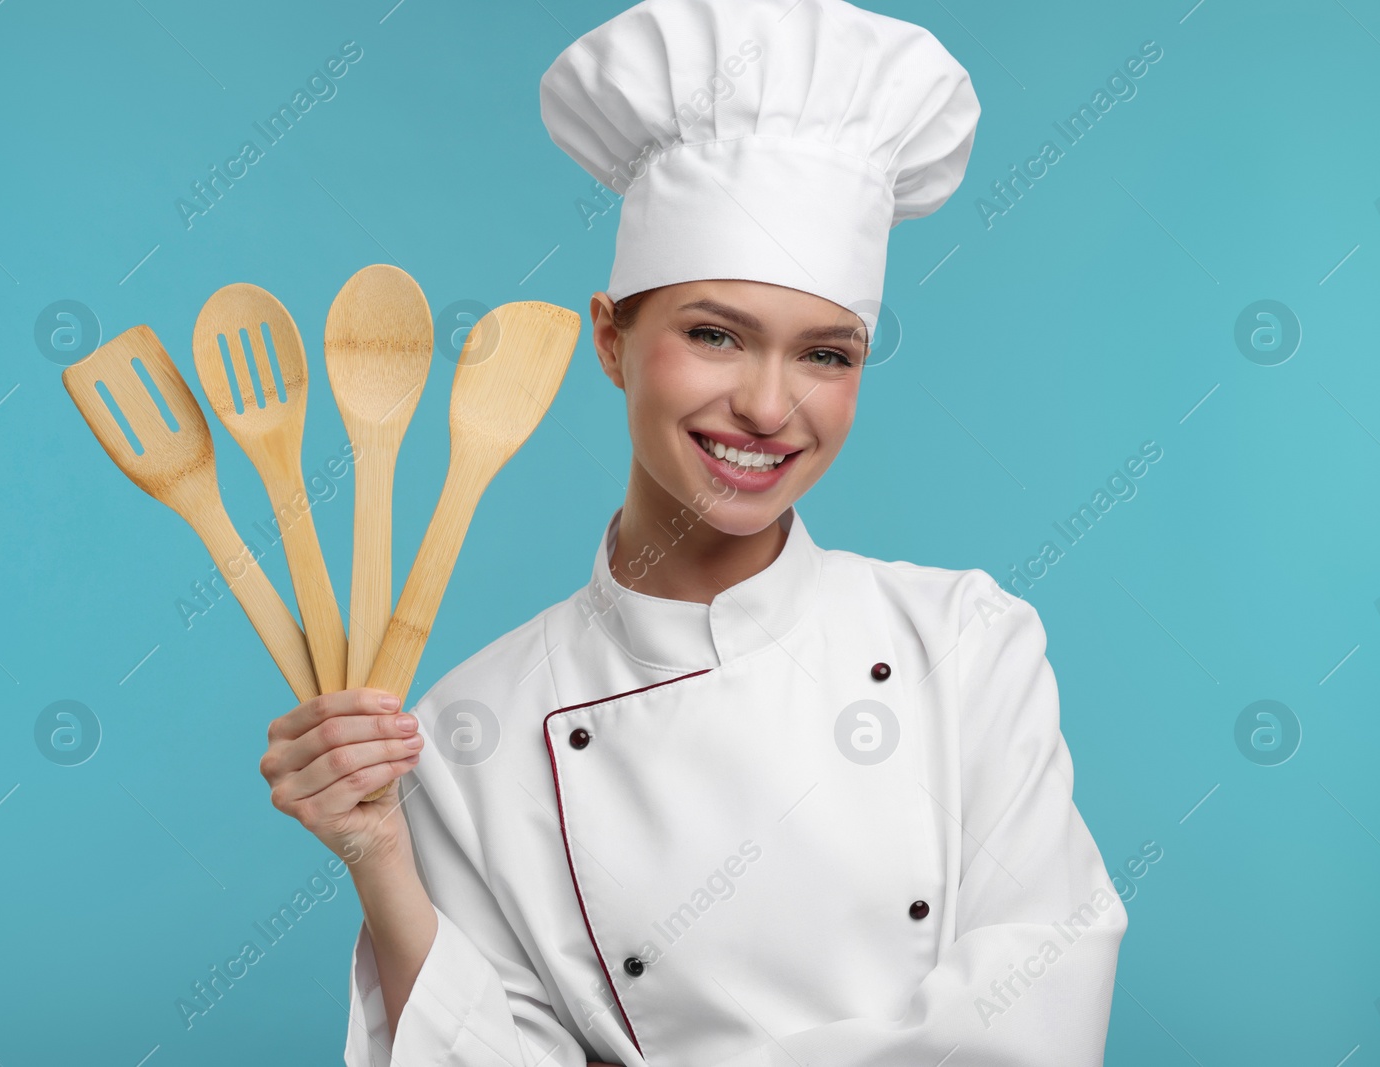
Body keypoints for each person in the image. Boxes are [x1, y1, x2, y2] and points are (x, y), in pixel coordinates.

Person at [257, 1, 1128, 1064]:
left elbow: (1029, 1022)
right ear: (612, 338)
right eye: (715, 334)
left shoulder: (968, 642)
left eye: (826, 354)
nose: (769, 406)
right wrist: (379, 854)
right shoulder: (471, 727)